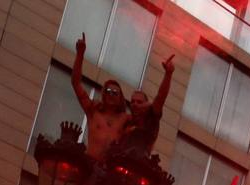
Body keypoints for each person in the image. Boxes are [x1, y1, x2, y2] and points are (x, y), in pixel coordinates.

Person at [72, 33, 130, 164]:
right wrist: (80, 54)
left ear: (120, 97)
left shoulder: (125, 119)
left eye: (115, 92)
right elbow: (76, 83)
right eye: (108, 91)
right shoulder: (93, 110)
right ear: (104, 94)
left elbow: (148, 119)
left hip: (108, 169)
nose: (111, 94)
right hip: (89, 163)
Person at [117, 54, 175, 154]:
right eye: (133, 101)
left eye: (139, 102)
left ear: (146, 104)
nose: (135, 104)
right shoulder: (126, 121)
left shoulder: (151, 119)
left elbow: (160, 97)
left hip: (139, 161)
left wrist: (168, 74)